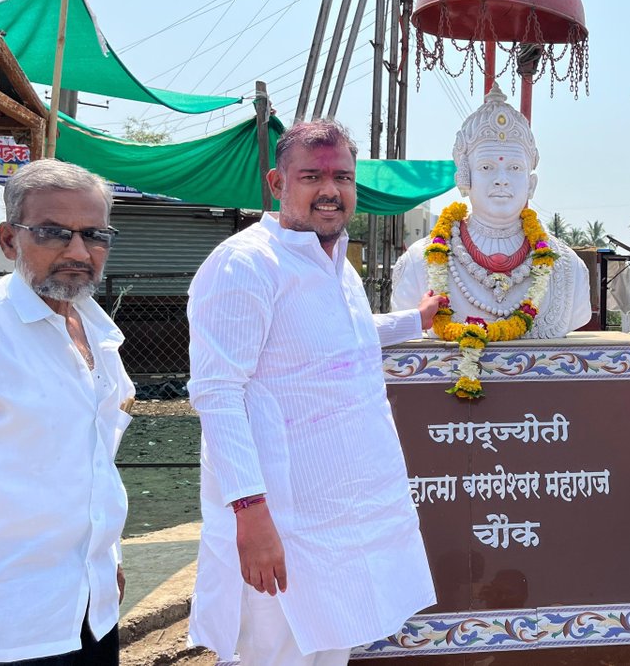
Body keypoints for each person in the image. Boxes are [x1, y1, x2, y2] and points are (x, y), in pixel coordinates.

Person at [187, 120, 440, 666]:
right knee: (274, 653)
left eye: (342, 177)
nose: (331, 190)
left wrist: (413, 322)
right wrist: (251, 518)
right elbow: (216, 394)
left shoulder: (334, 261)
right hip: (282, 520)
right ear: (278, 183)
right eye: (312, 176)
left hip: (345, 519)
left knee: (329, 650)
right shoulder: (246, 263)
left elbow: (344, 336)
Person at [0, 159, 131, 665]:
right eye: (54, 232)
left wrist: (109, 559)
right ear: (10, 240)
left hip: (92, 612)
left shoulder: (100, 335)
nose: (79, 251)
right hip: (5, 630)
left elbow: (93, 464)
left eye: (94, 234)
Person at [392, 84, 590, 337]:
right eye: (487, 167)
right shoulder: (418, 262)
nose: (501, 179)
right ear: (465, 178)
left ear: (531, 184)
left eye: (515, 168)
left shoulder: (567, 266)